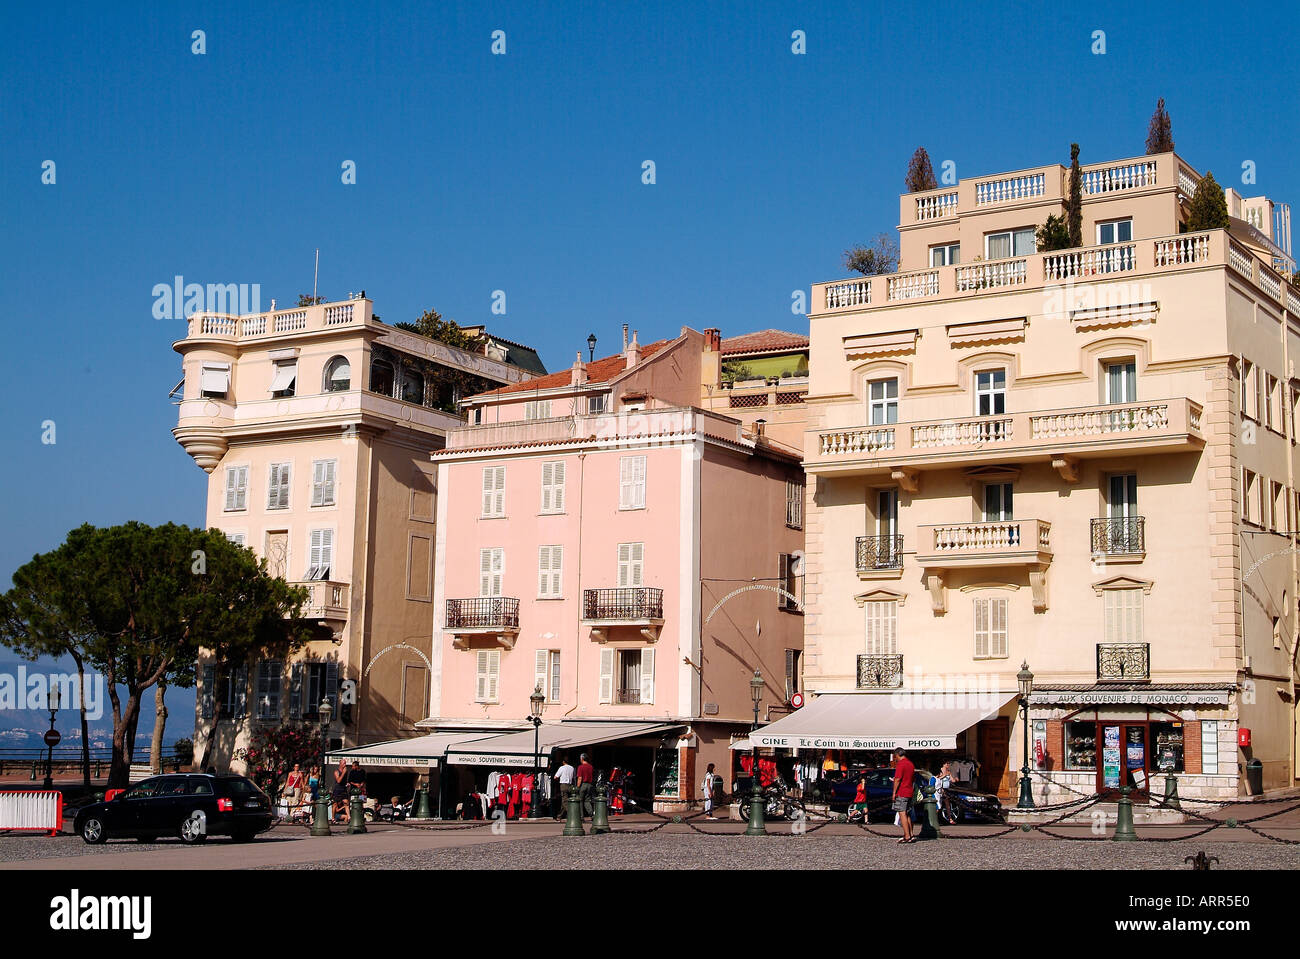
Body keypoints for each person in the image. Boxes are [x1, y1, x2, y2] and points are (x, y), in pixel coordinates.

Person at [891, 747, 916, 843]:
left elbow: (897, 779)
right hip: (909, 791)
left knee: (902, 813)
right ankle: (911, 834)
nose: (895, 758)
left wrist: (894, 792)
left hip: (902, 792)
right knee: (908, 813)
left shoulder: (901, 764)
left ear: (897, 755)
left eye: (895, 756)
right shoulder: (910, 764)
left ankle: (907, 835)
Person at [575, 753, 595, 817]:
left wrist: (577, 787)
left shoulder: (580, 767)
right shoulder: (591, 766)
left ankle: (581, 816)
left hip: (583, 785)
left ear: (582, 759)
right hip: (589, 785)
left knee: (580, 801)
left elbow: (580, 778)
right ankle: (591, 814)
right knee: (587, 801)